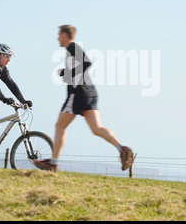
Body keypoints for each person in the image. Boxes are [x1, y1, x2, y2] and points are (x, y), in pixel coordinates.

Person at [34, 25, 134, 172]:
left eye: (59, 35)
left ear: (65, 35)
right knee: (96, 128)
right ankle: (121, 148)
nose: (57, 38)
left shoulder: (72, 48)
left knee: (60, 126)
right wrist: (67, 75)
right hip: (90, 93)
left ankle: (53, 163)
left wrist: (66, 72)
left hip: (78, 94)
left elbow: (87, 63)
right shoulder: (72, 50)